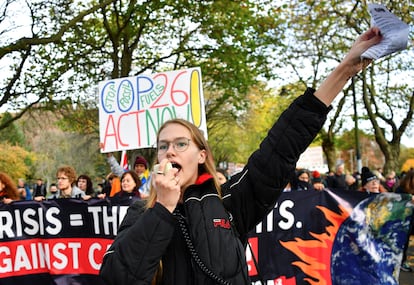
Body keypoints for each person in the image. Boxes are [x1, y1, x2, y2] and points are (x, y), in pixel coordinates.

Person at [100, 27, 383, 284]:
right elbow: (117, 277)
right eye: (163, 146)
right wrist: (162, 210)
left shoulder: (228, 200)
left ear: (202, 155)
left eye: (181, 143)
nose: (170, 150)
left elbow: (279, 150)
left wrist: (344, 70)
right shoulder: (140, 212)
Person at [395, 170, 414, 272]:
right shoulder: (401, 189)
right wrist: (408, 200)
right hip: (403, 219)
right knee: (404, 241)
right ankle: (401, 262)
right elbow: (397, 202)